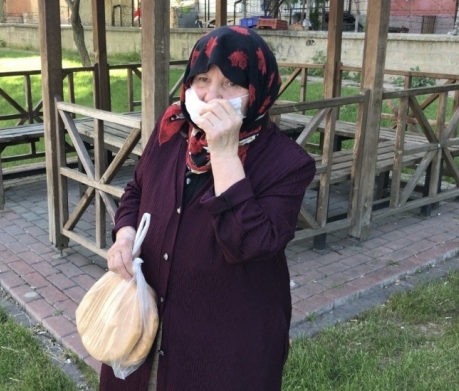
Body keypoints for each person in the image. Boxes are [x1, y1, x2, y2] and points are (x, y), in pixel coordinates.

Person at [101, 25, 316, 390]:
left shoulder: (287, 164)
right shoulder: (171, 131)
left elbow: (250, 244)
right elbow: (137, 189)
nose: (212, 96)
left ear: (257, 91)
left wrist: (224, 153)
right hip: (142, 324)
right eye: (203, 79)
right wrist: (124, 237)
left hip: (224, 347)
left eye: (230, 83)